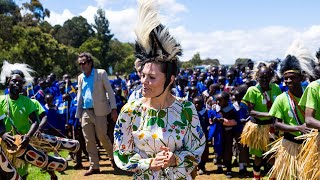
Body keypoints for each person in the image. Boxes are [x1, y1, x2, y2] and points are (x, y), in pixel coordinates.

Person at [113, 0, 205, 179]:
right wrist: (148, 163)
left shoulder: (186, 109)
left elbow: (196, 149)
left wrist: (175, 158)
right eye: (143, 75)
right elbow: (121, 154)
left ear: (170, 80)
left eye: (152, 77)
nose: (144, 81)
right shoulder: (130, 111)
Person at [265, 44, 316, 179]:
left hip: (311, 145)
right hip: (290, 146)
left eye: (292, 77)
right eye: (286, 78)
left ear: (300, 78)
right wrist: (298, 127)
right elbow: (276, 124)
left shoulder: (309, 93)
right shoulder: (281, 99)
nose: (288, 81)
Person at [75, 52, 118, 176]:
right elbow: (80, 96)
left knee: (102, 137)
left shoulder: (101, 73)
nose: (82, 66)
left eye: (83, 63)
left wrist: (114, 109)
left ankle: (112, 158)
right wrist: (78, 114)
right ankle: (94, 166)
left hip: (100, 111)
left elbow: (110, 92)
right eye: (80, 64)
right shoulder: (80, 77)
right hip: (85, 112)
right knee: (89, 140)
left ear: (90, 63)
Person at [240, 65, 282, 180]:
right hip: (258, 128)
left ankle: (272, 177)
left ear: (271, 77)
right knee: (258, 157)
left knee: (273, 155)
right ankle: (256, 177)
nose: (264, 80)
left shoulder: (276, 88)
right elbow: (251, 111)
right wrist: (269, 114)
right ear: (257, 77)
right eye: (261, 77)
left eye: (267, 77)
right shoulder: (252, 90)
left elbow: (280, 106)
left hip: (272, 128)